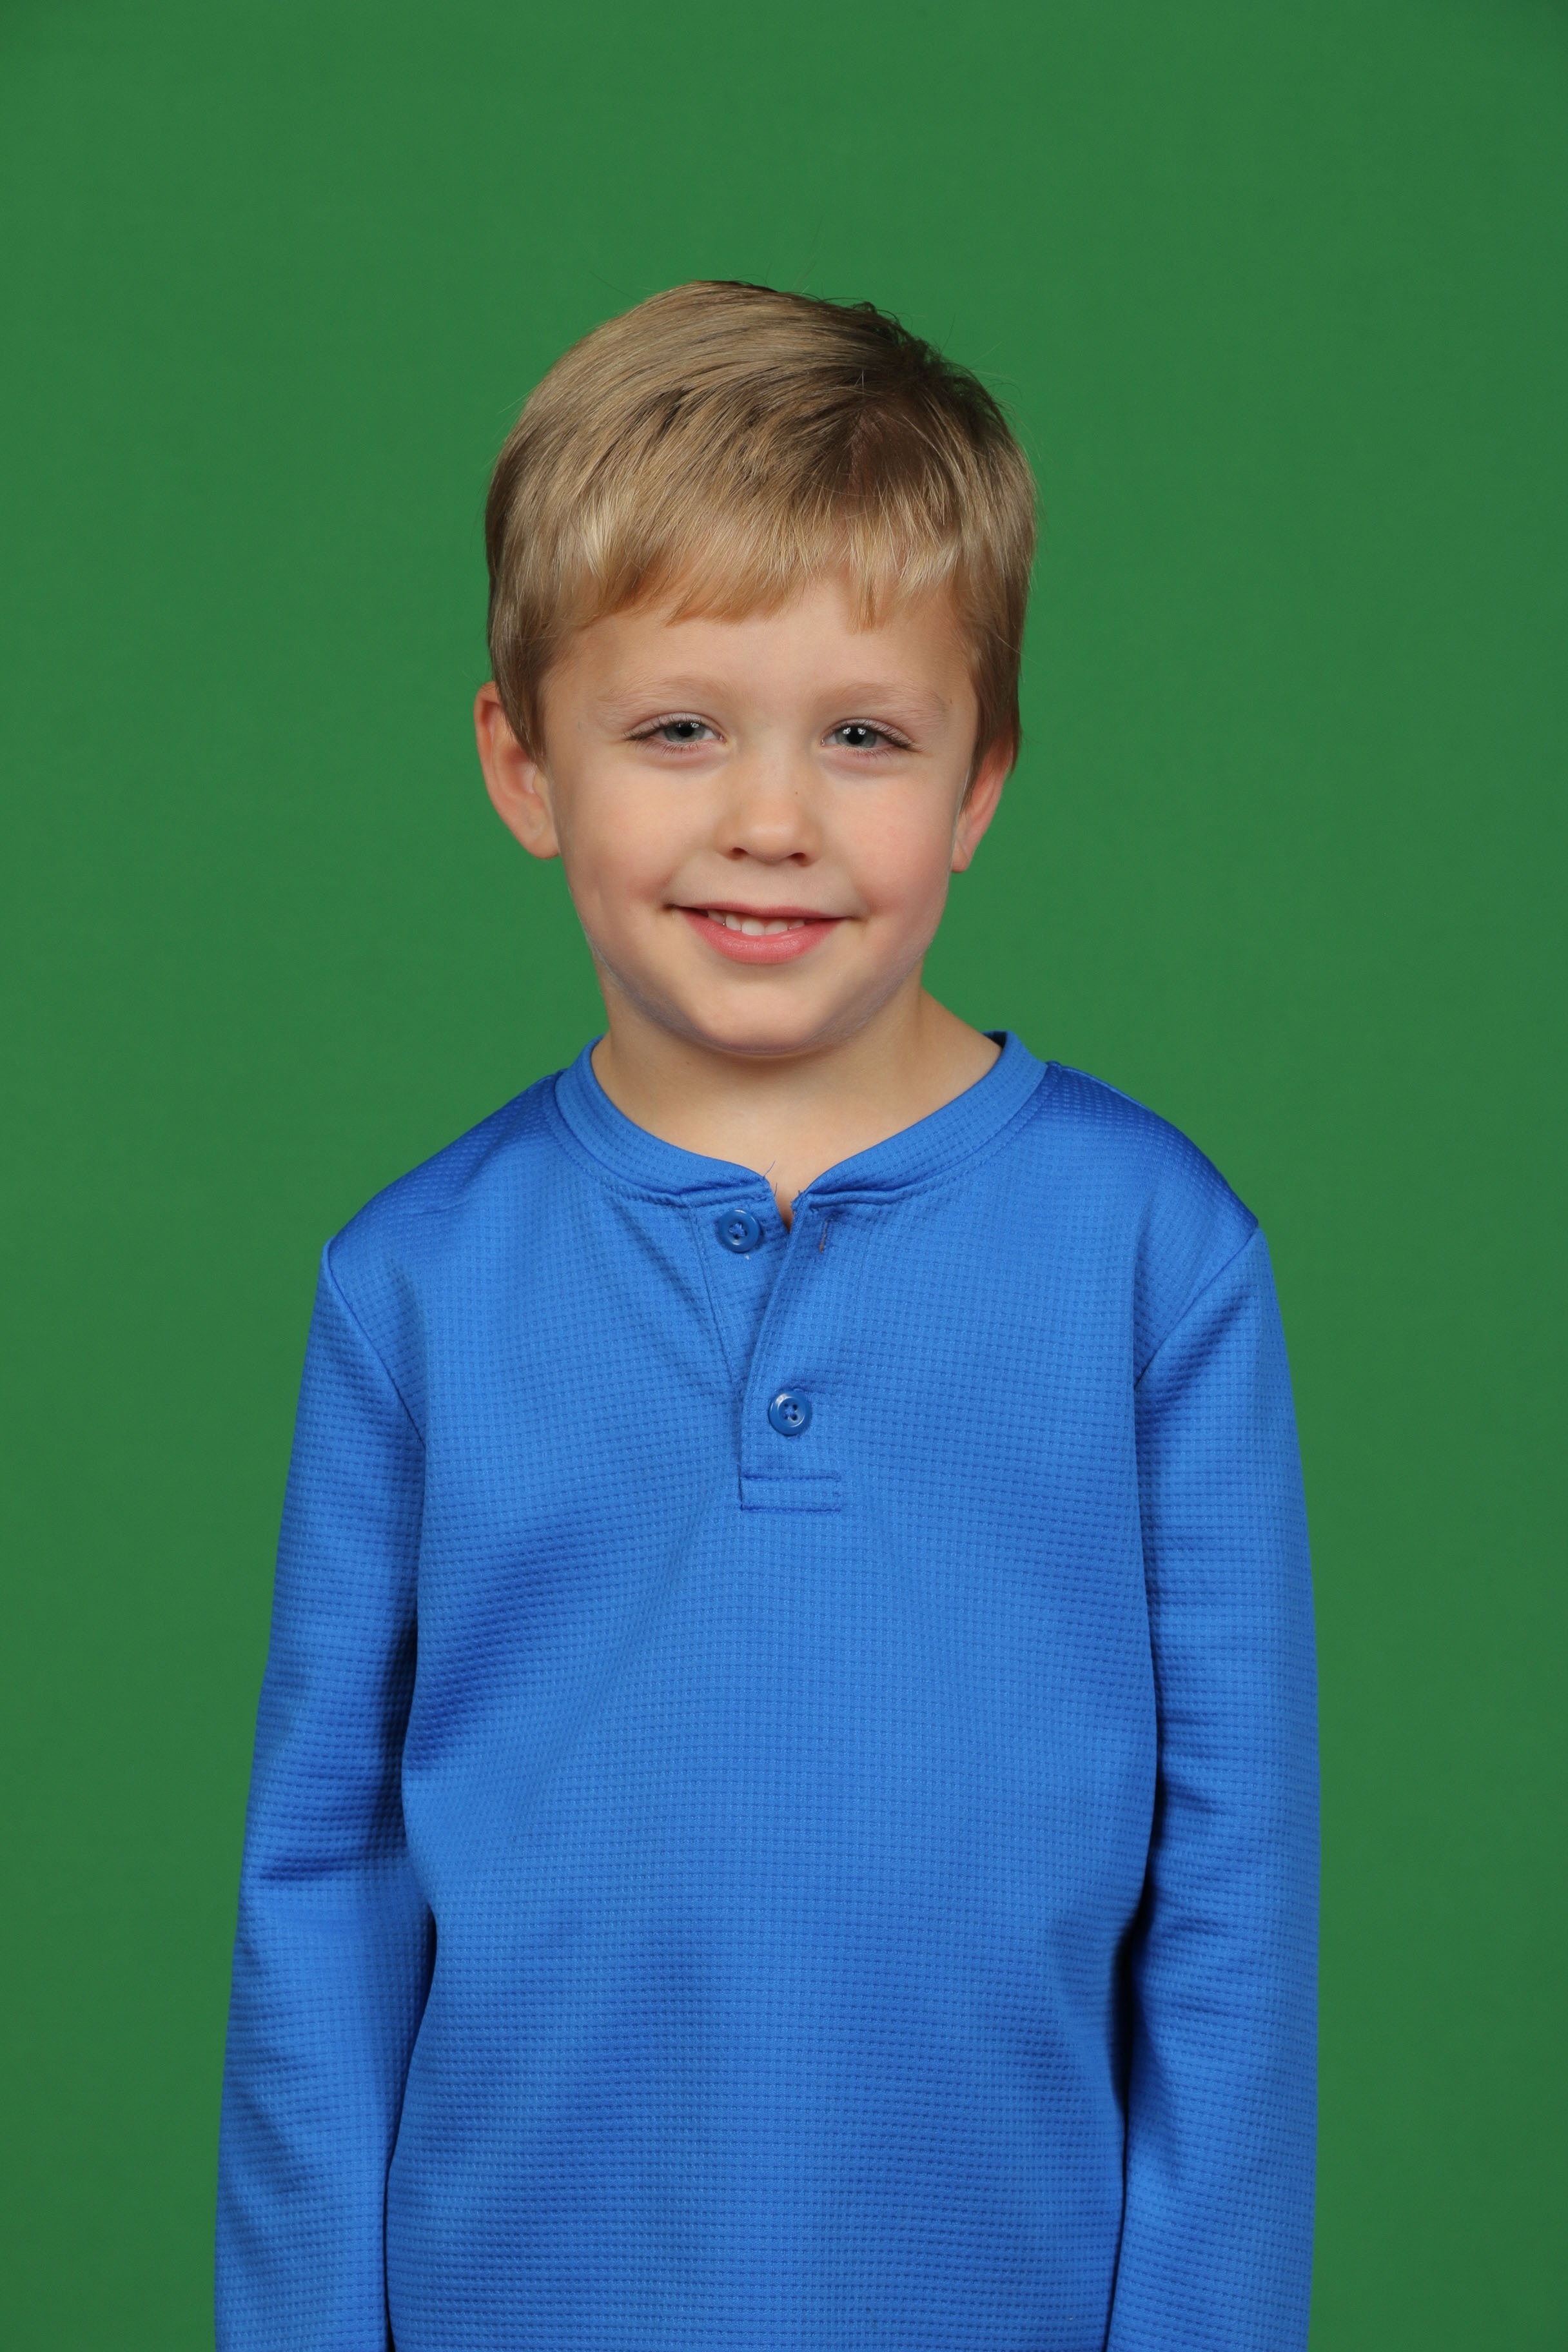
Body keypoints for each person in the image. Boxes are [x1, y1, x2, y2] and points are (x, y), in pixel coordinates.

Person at [216, 281, 1317, 2350]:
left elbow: (1234, 1913)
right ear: (522, 760)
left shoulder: (1157, 1257)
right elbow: (319, 1905)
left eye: (866, 736)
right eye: (678, 728)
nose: (773, 821)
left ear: (982, 779)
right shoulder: (412, 1283)